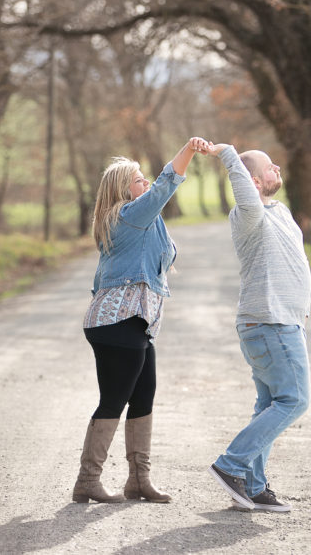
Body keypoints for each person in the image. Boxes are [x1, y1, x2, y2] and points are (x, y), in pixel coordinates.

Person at [73, 137, 210, 505]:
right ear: (123, 189)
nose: (145, 183)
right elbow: (167, 184)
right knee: (114, 399)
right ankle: (88, 480)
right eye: (138, 179)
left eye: (143, 178)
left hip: (136, 323)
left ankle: (138, 481)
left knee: (143, 396)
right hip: (116, 321)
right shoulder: (128, 215)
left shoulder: (143, 221)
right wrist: (188, 149)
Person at [206, 143, 311, 513]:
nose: (277, 167)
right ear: (252, 180)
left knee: (269, 403)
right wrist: (229, 154)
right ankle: (231, 464)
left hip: (284, 321)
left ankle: (253, 485)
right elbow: (246, 196)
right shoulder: (248, 215)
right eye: (269, 167)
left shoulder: (279, 210)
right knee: (295, 399)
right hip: (269, 324)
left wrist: (301, 308)